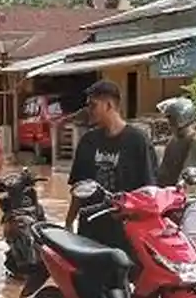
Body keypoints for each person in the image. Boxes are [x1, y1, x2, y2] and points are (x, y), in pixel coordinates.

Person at [64, 80, 158, 250]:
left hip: (126, 231)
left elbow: (149, 191)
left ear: (108, 105)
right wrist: (69, 223)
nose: (89, 111)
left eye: (93, 105)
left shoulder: (138, 141)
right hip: (91, 227)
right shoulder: (87, 142)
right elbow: (79, 189)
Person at [155, 97, 196, 187]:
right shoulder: (174, 140)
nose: (169, 123)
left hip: (179, 195)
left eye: (171, 119)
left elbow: (190, 174)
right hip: (166, 192)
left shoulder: (193, 141)